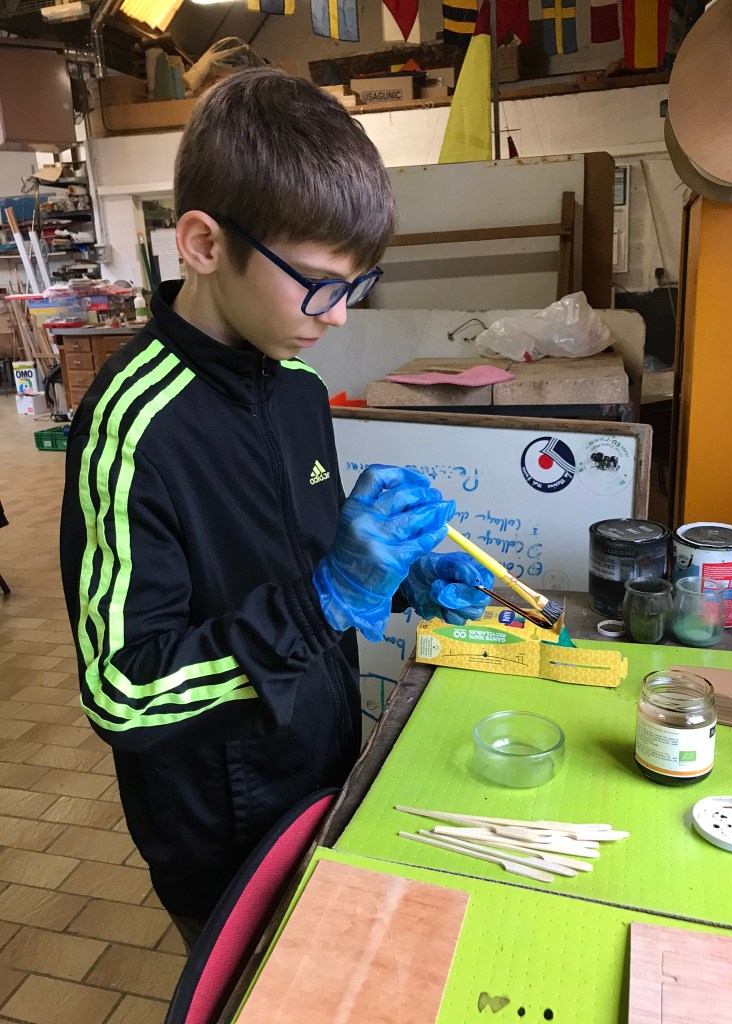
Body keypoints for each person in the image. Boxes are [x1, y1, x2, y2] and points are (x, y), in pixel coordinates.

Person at [59, 68, 492, 951]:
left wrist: (393, 577)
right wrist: (328, 600)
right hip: (223, 834)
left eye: (357, 284)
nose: (340, 317)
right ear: (203, 243)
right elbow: (122, 693)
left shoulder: (297, 388)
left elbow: (294, 560)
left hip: (322, 773)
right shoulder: (131, 426)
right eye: (319, 283)